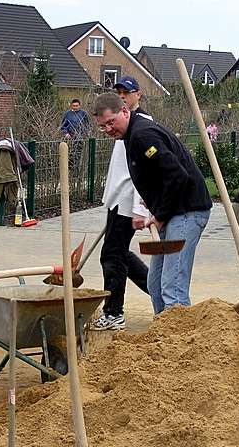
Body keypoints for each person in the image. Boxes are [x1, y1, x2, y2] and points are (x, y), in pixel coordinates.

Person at [94, 93, 212, 315]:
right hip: (174, 212)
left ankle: (179, 340)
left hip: (187, 212)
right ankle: (163, 334)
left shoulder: (142, 135)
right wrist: (152, 206)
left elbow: (178, 175)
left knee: (172, 287)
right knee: (155, 285)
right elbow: (158, 176)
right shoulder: (130, 136)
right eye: (103, 126)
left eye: (111, 122)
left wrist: (160, 215)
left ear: (125, 111)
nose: (108, 129)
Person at [93, 76, 150, 330]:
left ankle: (114, 312)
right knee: (118, 253)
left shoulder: (143, 126)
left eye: (126, 92)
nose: (122, 95)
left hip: (129, 201)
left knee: (112, 256)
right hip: (117, 200)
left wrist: (140, 208)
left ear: (137, 95)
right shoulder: (120, 129)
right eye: (118, 92)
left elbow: (145, 172)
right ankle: (157, 290)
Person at [60, 98, 91, 171]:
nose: (75, 107)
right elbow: (63, 126)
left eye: (77, 106)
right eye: (73, 106)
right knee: (71, 154)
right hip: (71, 138)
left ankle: (78, 170)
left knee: (79, 154)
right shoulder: (67, 114)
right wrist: (66, 133)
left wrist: (86, 133)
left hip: (81, 137)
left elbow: (88, 125)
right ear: (71, 106)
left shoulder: (83, 113)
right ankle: (71, 169)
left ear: (80, 105)